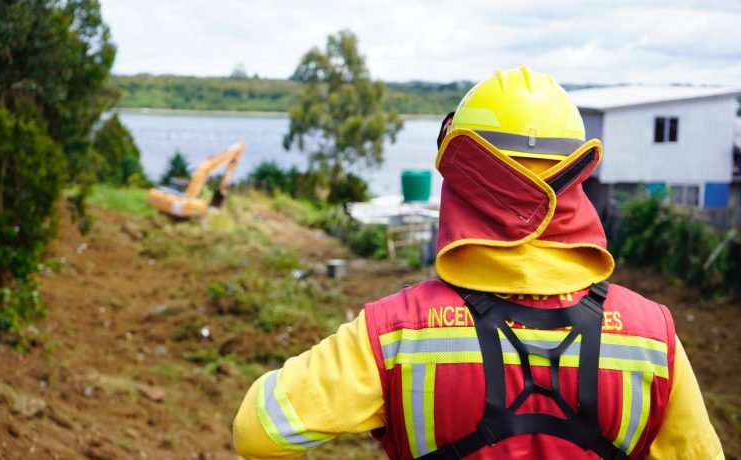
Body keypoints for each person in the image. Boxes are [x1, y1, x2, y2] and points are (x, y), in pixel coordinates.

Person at [232, 65, 724, 460]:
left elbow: (257, 432)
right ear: (579, 173)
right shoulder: (652, 337)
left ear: (462, 176)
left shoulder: (395, 331)